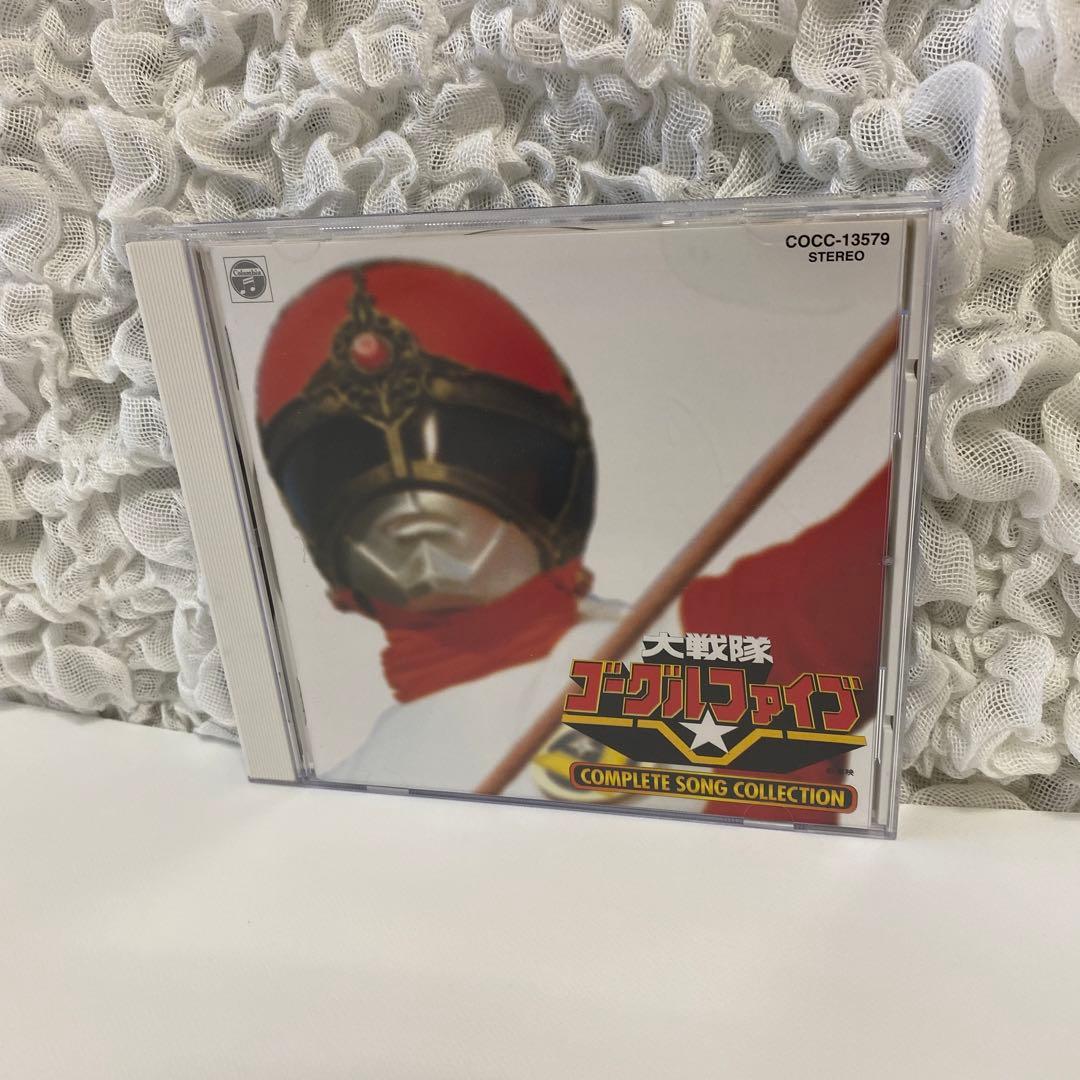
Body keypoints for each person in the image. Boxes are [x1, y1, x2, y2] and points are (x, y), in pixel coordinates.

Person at [257, 259, 887, 816]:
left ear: (555, 481)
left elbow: (879, 551)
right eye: (346, 465)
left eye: (473, 450)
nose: (414, 499)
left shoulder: (703, 654)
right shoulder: (338, 799)